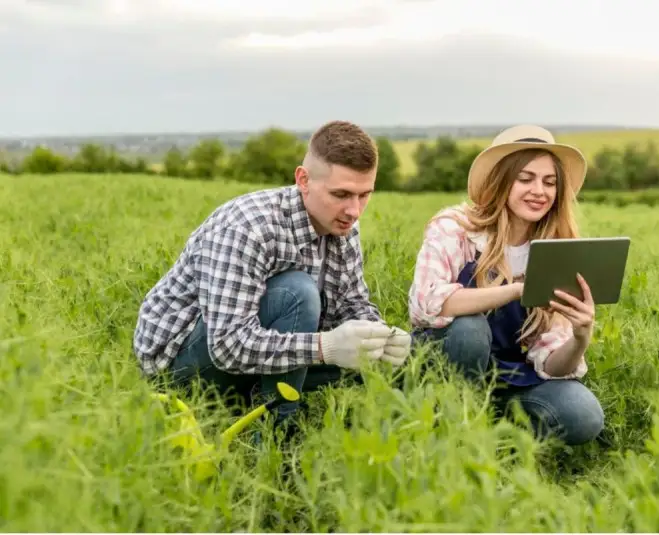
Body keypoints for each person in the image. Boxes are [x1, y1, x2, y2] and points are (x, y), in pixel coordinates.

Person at [133, 120, 411, 422]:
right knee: (297, 292)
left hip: (253, 359)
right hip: (182, 369)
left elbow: (350, 303)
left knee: (366, 356)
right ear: (303, 180)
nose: (354, 211)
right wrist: (325, 347)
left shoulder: (342, 227)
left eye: (364, 195)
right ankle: (277, 432)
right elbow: (227, 346)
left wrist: (381, 337)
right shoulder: (247, 228)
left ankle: (260, 398)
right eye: (341, 194)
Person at [407, 125, 605, 446]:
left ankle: (496, 428)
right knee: (469, 330)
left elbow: (552, 362)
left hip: (509, 374)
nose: (539, 191)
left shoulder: (556, 248)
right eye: (525, 179)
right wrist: (515, 290)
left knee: (583, 415)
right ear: (501, 180)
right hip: (445, 360)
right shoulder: (456, 229)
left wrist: (580, 338)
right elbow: (424, 304)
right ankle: (447, 423)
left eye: (549, 182)